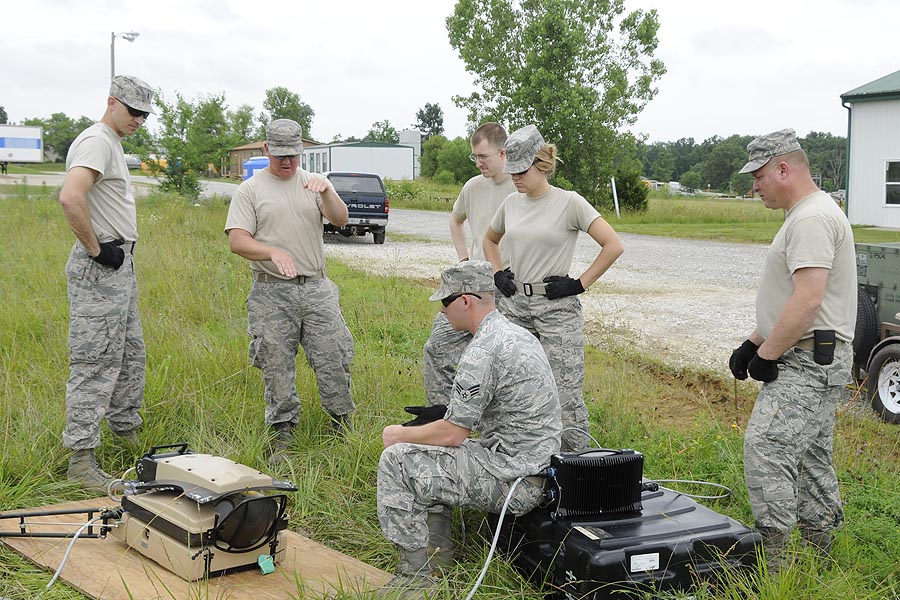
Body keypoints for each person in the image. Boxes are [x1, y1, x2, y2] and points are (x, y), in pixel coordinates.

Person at [377, 260, 561, 598]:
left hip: (516, 481)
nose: (443, 312)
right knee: (427, 453)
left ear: (466, 301)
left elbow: (453, 434)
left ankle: (415, 581)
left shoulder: (482, 350)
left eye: (446, 304)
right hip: (538, 469)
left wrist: (397, 434)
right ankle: (437, 562)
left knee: (398, 460)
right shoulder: (517, 335)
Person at [728, 129, 855, 568]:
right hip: (813, 352)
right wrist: (755, 341)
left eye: (760, 175)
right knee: (812, 459)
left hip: (807, 360)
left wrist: (766, 357)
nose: (755, 186)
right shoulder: (809, 213)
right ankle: (822, 559)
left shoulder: (810, 218)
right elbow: (794, 298)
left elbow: (809, 300)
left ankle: (774, 563)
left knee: (767, 449)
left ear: (784, 168)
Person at [484, 125, 624, 452]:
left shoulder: (569, 203)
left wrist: (578, 284)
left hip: (556, 311)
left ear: (541, 164)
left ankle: (577, 467)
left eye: (522, 171)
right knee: (513, 384)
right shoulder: (510, 204)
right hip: (515, 306)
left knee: (564, 394)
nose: (515, 177)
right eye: (512, 171)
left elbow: (613, 245)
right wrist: (498, 273)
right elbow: (490, 240)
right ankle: (519, 456)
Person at [225, 119, 355, 465]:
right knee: (276, 365)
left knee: (333, 358)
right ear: (266, 149)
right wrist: (271, 252)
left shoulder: (313, 185)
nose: (287, 162)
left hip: (316, 290)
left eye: (294, 156)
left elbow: (341, 220)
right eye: (280, 155)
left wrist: (327, 190)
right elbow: (237, 240)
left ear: (302, 151)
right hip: (271, 294)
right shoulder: (250, 190)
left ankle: (341, 426)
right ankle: (283, 434)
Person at [58, 75, 155, 491]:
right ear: (112, 102)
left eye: (145, 114)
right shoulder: (97, 139)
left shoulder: (111, 143)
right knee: (95, 361)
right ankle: (80, 460)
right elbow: (70, 196)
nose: (139, 119)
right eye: (133, 111)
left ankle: (125, 434)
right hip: (102, 265)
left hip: (120, 267)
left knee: (131, 355)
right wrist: (98, 250)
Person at [422, 123, 516, 406]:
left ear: (503, 153)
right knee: (436, 347)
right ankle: (442, 416)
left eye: (483, 157)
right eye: (474, 157)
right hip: (474, 287)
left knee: (500, 359)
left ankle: (491, 419)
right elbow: (455, 218)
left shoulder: (520, 185)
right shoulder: (473, 186)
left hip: (508, 289)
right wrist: (463, 259)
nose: (478, 163)